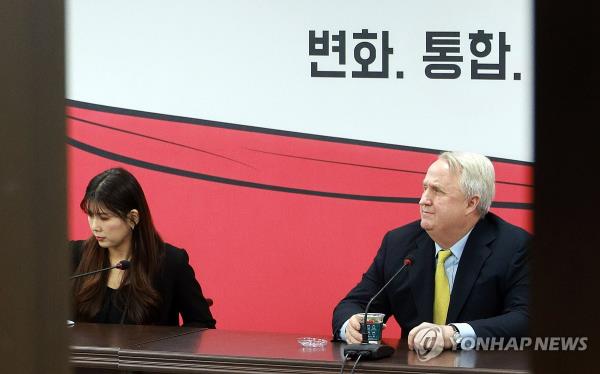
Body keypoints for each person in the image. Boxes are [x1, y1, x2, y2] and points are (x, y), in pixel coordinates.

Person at [332, 151, 530, 351]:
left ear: (471, 203)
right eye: (425, 188)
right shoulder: (399, 244)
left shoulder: (514, 246)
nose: (423, 200)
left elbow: (525, 319)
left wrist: (454, 334)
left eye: (437, 191)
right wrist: (350, 326)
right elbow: (355, 304)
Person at [71, 167, 216, 328]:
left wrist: (169, 349)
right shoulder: (74, 256)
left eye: (104, 218)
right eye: (90, 215)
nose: (95, 226)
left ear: (133, 217)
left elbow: (202, 325)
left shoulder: (172, 263)